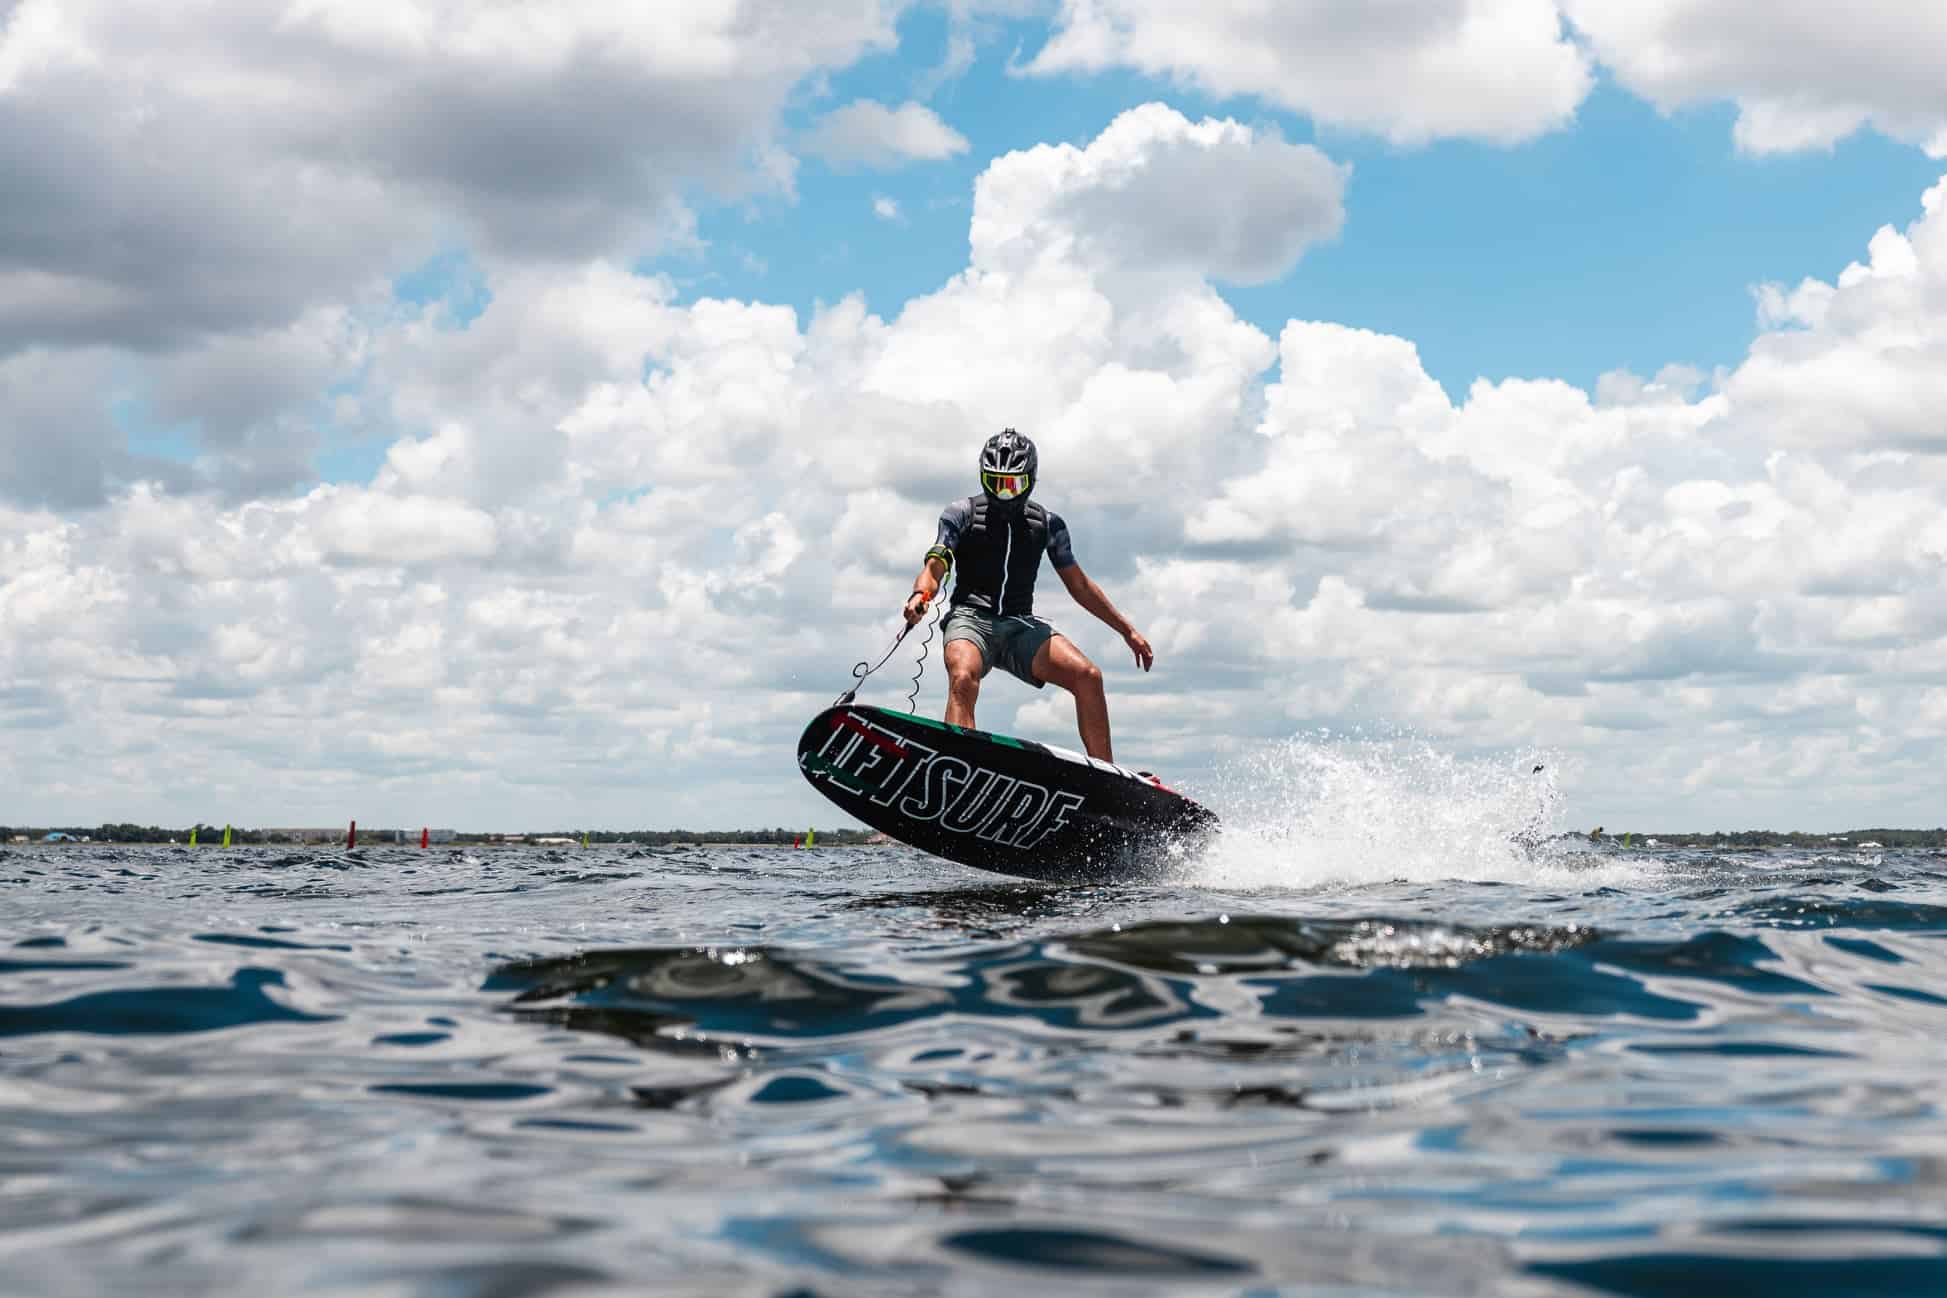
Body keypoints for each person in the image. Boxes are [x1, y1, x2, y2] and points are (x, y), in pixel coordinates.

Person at [902, 429, 1153, 763]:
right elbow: (936, 564)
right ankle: (961, 761)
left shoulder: (1048, 524)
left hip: (1021, 625)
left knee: (1088, 677)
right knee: (963, 676)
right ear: (983, 477)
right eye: (995, 483)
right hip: (971, 620)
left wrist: (1127, 631)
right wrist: (921, 595)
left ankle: (1107, 779)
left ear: (1030, 480)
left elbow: (1079, 586)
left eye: (1013, 485)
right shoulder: (960, 514)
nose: (1004, 495)